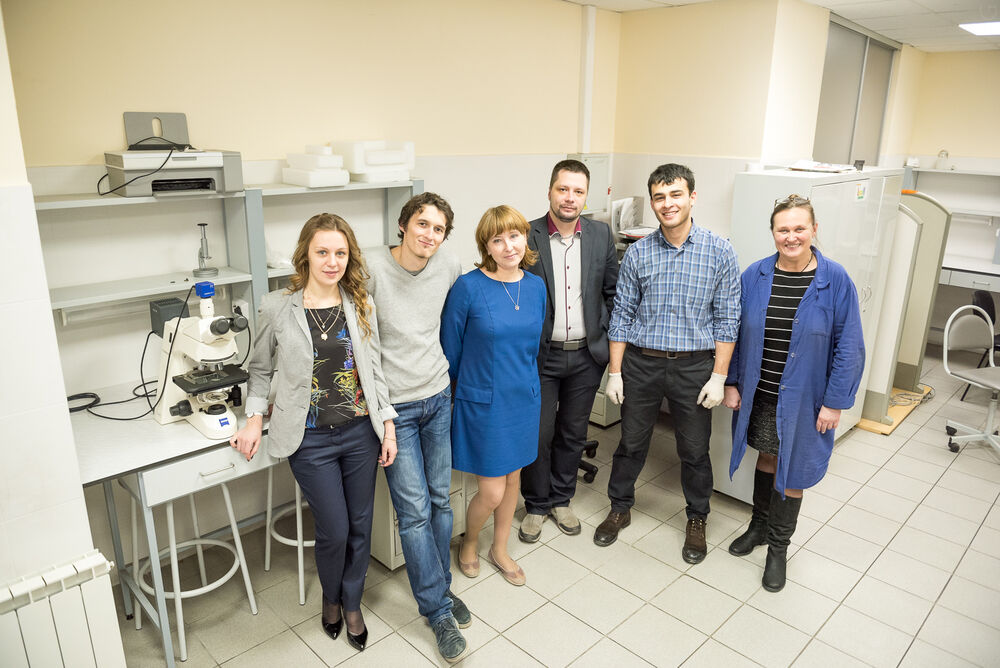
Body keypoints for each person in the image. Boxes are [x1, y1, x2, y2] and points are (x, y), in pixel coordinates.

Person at [230, 213, 397, 653]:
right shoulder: (276, 306)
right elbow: (260, 369)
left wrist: (388, 426)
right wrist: (253, 418)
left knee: (361, 524)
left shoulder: (360, 302)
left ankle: (352, 603)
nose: (331, 261)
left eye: (340, 253)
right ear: (305, 253)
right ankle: (331, 597)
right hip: (309, 440)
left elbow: (374, 370)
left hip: (360, 433)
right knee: (335, 529)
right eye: (322, 252)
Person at [593, 163, 740, 567]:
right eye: (659, 197)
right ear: (653, 202)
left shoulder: (719, 251)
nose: (667, 203)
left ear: (692, 197)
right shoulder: (639, 253)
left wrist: (719, 376)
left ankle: (697, 517)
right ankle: (619, 507)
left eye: (675, 194)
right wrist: (616, 372)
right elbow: (622, 315)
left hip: (695, 367)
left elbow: (728, 319)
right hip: (642, 364)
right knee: (631, 443)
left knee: (693, 449)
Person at [723, 194, 864, 592]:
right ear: (773, 233)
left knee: (794, 468)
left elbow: (850, 346)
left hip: (806, 399)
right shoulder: (755, 275)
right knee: (768, 455)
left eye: (799, 228)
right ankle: (758, 527)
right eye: (783, 229)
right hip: (762, 393)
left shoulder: (835, 280)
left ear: (813, 230)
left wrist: (835, 402)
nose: (791, 237)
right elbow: (734, 331)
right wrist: (731, 381)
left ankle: (778, 549)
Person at [365, 192, 469, 663]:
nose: (429, 235)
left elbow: (453, 321)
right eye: (422, 224)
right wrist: (383, 413)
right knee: (414, 513)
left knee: (441, 500)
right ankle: (437, 611)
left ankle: (440, 588)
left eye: (439, 229)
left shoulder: (448, 266)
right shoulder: (371, 269)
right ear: (403, 224)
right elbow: (362, 346)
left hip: (438, 396)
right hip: (396, 411)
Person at [441, 205, 545, 586]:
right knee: (491, 489)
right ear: (486, 247)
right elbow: (450, 351)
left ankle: (499, 549)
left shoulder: (535, 287)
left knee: (514, 479)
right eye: (497, 240)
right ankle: (470, 541)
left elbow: (534, 346)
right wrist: (464, 395)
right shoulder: (468, 288)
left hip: (523, 399)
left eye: (514, 236)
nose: (508, 246)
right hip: (484, 403)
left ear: (525, 237)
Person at [519, 159, 618, 542]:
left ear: (586, 196)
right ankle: (536, 504)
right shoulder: (526, 235)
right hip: (540, 357)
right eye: (563, 189)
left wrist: (603, 334)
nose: (570, 198)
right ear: (550, 191)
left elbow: (612, 291)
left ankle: (561, 499)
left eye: (578, 191)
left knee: (573, 433)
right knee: (539, 434)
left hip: (585, 356)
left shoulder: (600, 234)